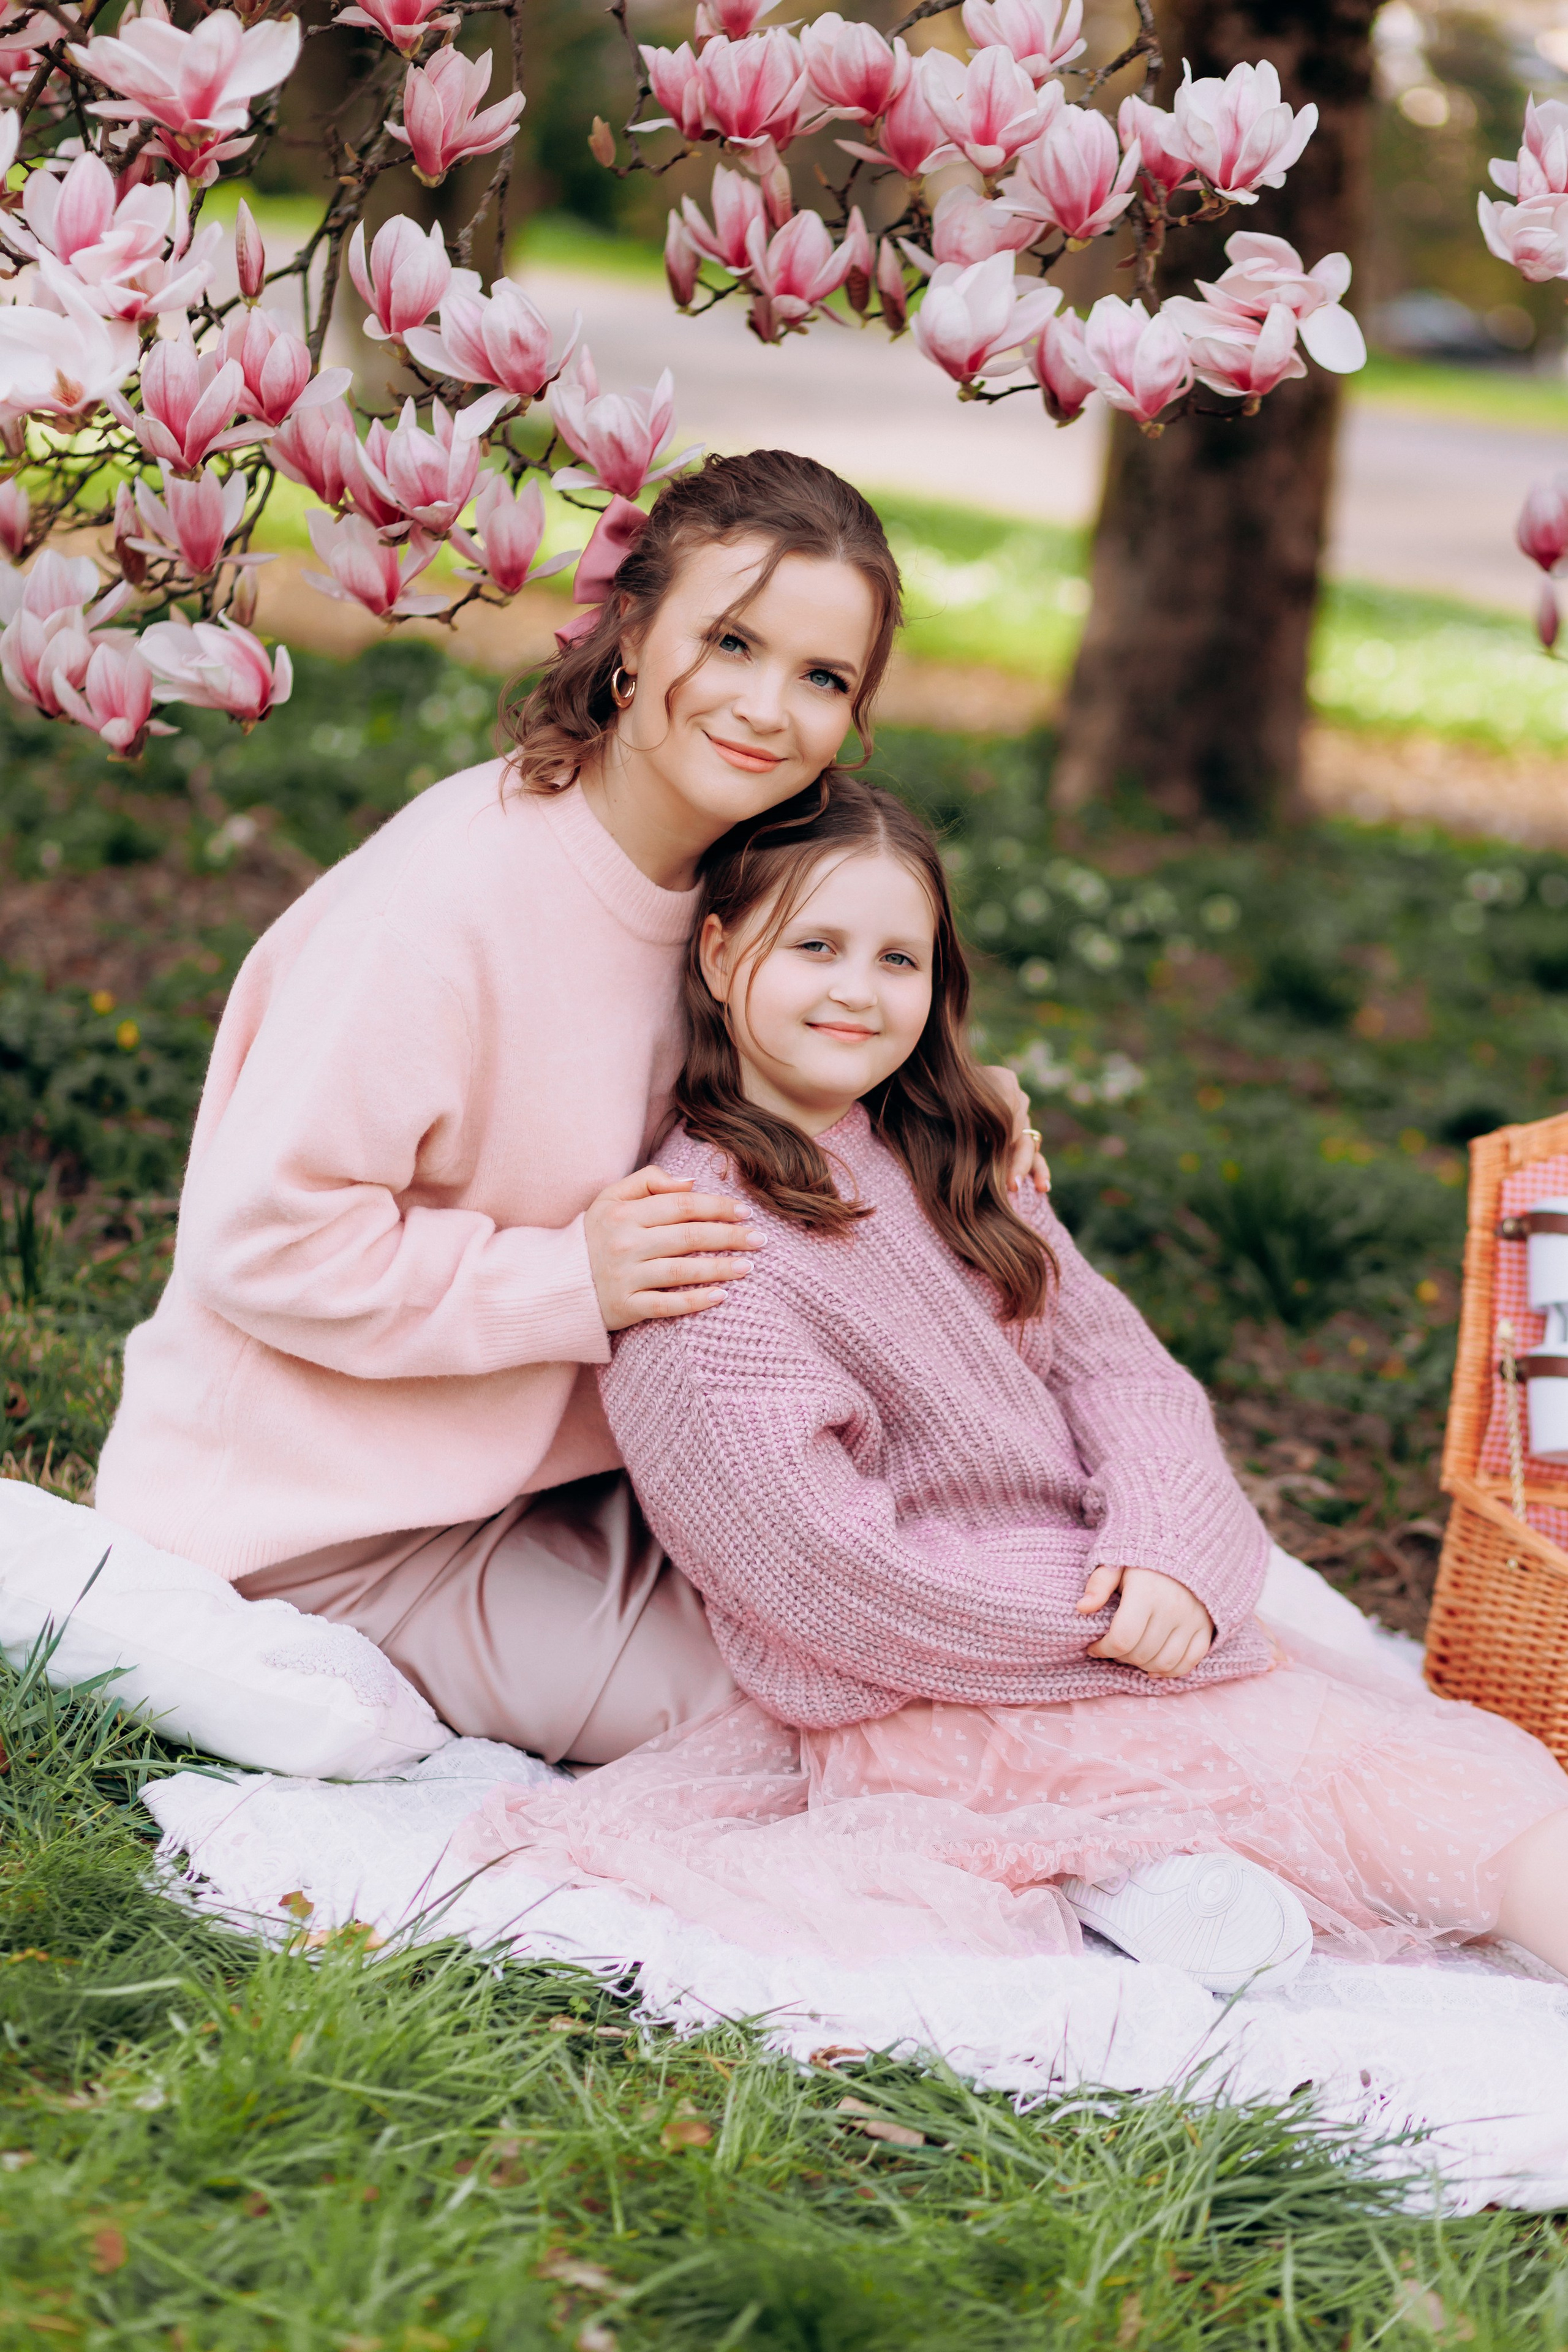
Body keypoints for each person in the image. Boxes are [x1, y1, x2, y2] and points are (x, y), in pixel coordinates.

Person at [467, 777, 1568, 1991]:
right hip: (938, 1686)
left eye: (898, 959)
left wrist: (1166, 1550)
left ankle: (1141, 1868)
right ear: (722, 953)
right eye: (815, 947)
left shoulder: (943, 1150)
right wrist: (1104, 1632)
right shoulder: (705, 1249)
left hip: (1098, 1604)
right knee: (1369, 1788)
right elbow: (817, 1571)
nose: (855, 989)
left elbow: (1118, 1368)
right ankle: (1127, 1870)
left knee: (1418, 1775)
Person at [91, 448, 1046, 1767]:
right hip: (337, 1522)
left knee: (972, 1622)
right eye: (730, 642)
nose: (767, 708)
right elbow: (260, 1240)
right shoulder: (451, 902)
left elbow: (794, 1061)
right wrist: (565, 1280)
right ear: (633, 633)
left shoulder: (740, 885)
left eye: (822, 678)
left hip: (595, 1482)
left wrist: (944, 1104)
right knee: (814, 1726)